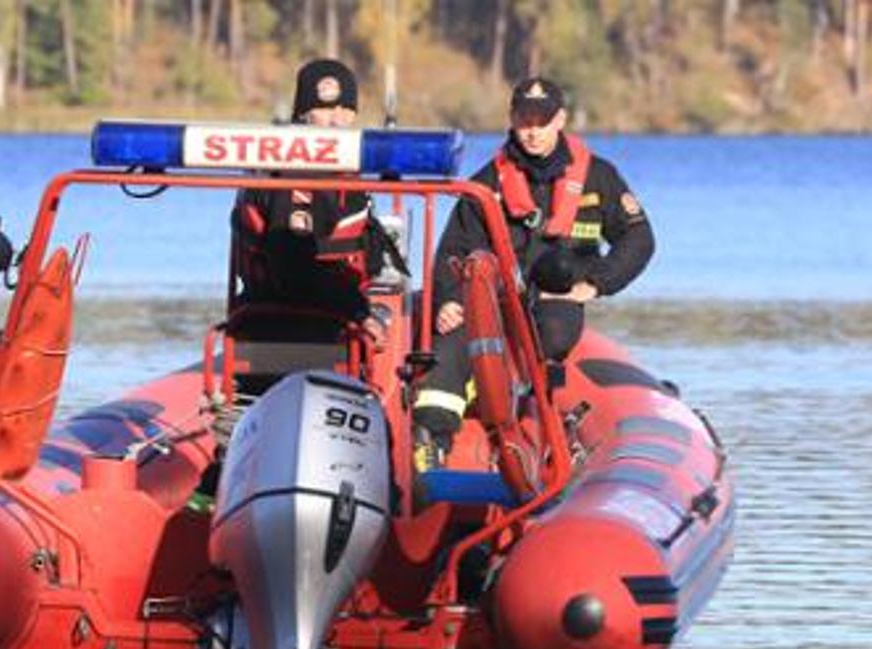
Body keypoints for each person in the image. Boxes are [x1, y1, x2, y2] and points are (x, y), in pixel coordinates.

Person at [411, 77, 654, 466]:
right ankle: (428, 447)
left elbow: (638, 239)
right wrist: (450, 301)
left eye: (542, 121)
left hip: (554, 301)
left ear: (560, 120)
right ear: (512, 119)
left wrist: (594, 285)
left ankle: (534, 422)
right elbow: (452, 253)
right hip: (493, 305)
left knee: (553, 334)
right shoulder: (486, 185)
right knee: (447, 352)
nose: (533, 132)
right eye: (525, 121)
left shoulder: (598, 178)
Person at [228, 58, 385, 340]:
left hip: (332, 309)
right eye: (325, 109)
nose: (337, 119)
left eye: (345, 109)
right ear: (303, 114)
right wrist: (359, 312)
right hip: (301, 323)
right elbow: (294, 272)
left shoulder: (343, 171)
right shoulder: (294, 172)